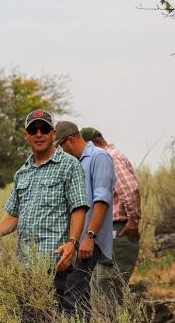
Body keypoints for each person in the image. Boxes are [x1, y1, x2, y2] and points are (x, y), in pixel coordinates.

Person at [0, 109, 89, 314]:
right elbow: (13, 216)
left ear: (53, 133)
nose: (39, 134)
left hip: (56, 266)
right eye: (33, 130)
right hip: (26, 268)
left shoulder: (69, 165)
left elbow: (78, 208)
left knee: (58, 315)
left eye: (44, 129)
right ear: (26, 136)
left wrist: (73, 243)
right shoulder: (22, 173)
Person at [55, 121, 116, 321]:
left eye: (61, 146)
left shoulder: (100, 157)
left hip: (89, 241)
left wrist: (90, 236)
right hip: (76, 242)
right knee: (76, 296)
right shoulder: (80, 162)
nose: (61, 151)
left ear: (70, 140)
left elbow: (102, 199)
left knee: (73, 297)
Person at [80, 127, 141, 302]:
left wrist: (133, 222)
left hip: (118, 230)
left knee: (109, 288)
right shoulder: (105, 157)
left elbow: (130, 190)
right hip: (107, 231)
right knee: (102, 289)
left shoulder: (109, 157)